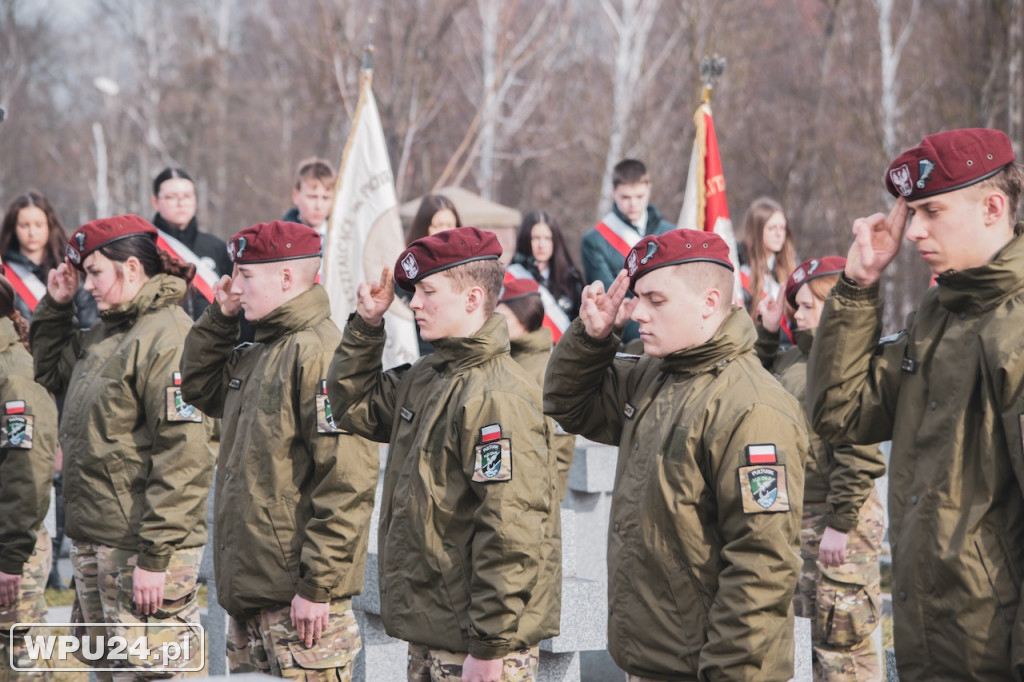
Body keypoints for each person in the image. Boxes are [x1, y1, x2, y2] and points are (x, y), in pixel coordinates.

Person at [805, 128, 1024, 681]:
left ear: (993, 208)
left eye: (932, 212)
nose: (914, 231)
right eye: (914, 213)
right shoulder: (938, 313)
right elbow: (840, 412)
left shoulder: (1016, 328)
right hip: (933, 644)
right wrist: (858, 285)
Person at [544, 228, 806, 680]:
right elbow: (568, 404)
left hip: (704, 668)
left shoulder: (753, 407)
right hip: (650, 657)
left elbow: (761, 566)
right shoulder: (656, 375)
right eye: (638, 297)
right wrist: (591, 339)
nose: (637, 313)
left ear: (709, 302)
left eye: (656, 300)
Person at [327, 226, 561, 681]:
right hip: (437, 629)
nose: (414, 303)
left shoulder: (497, 395)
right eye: (414, 292)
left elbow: (510, 531)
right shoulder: (429, 375)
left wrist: (490, 645)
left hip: (479, 644)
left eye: (428, 292)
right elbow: (352, 406)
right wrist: (366, 327)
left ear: (473, 298)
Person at [180, 220, 379, 678]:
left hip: (301, 606)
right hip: (254, 596)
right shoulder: (259, 352)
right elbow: (198, 386)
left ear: (286, 277)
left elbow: (346, 484)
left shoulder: (321, 354)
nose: (235, 286)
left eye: (247, 276)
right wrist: (221, 318)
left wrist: (318, 586)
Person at [30, 215, 213, 679]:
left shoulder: (168, 336)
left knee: (153, 672)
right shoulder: (108, 332)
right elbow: (49, 371)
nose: (88, 285)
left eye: (94, 272)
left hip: (140, 549)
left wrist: (156, 557)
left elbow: (184, 457)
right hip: (99, 541)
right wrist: (57, 306)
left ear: (131, 268)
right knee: (112, 671)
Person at [757, 256, 885, 680]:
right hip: (799, 516)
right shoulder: (792, 359)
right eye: (797, 307)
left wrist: (841, 523)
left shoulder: (845, 361)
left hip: (837, 518)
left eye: (808, 307)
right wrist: (767, 333)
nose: (799, 315)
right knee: (807, 640)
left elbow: (858, 447)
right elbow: (752, 383)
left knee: (842, 642)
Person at [0, 263, 58, 679]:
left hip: (11, 548)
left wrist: (9, 558)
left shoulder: (14, 374)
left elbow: (27, 471)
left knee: (20, 666)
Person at [495, 278, 576, 498]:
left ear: (523, 316)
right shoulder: (500, 361)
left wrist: (552, 498)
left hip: (533, 495)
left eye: (503, 317)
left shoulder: (550, 370)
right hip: (499, 488)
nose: (496, 324)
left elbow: (561, 444)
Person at [581, 159, 675, 345]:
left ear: (649, 189)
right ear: (613, 192)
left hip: (673, 329)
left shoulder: (671, 232)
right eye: (625, 197)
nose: (633, 204)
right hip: (632, 337)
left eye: (639, 196)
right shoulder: (594, 241)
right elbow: (612, 302)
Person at [0, 191, 97, 327]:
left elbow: (88, 321)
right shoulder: (3, 273)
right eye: (24, 225)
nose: (32, 232)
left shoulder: (70, 269)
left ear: (49, 225)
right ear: (14, 228)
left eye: (38, 225)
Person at [151, 167, 233, 321]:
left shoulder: (216, 247)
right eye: (171, 197)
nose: (181, 203)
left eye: (187, 196)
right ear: (155, 202)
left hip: (213, 334)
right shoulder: (145, 247)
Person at [511, 210, 583, 321]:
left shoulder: (571, 280)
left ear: (555, 241)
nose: (541, 245)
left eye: (547, 238)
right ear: (526, 240)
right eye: (535, 238)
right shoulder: (514, 277)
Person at [738, 196, 797, 320]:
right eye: (772, 228)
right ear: (756, 231)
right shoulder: (740, 271)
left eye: (782, 228)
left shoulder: (791, 269)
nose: (779, 234)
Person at [283, 157, 335, 236]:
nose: (318, 206)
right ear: (296, 196)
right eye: (312, 197)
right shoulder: (279, 237)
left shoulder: (343, 238)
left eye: (325, 198)